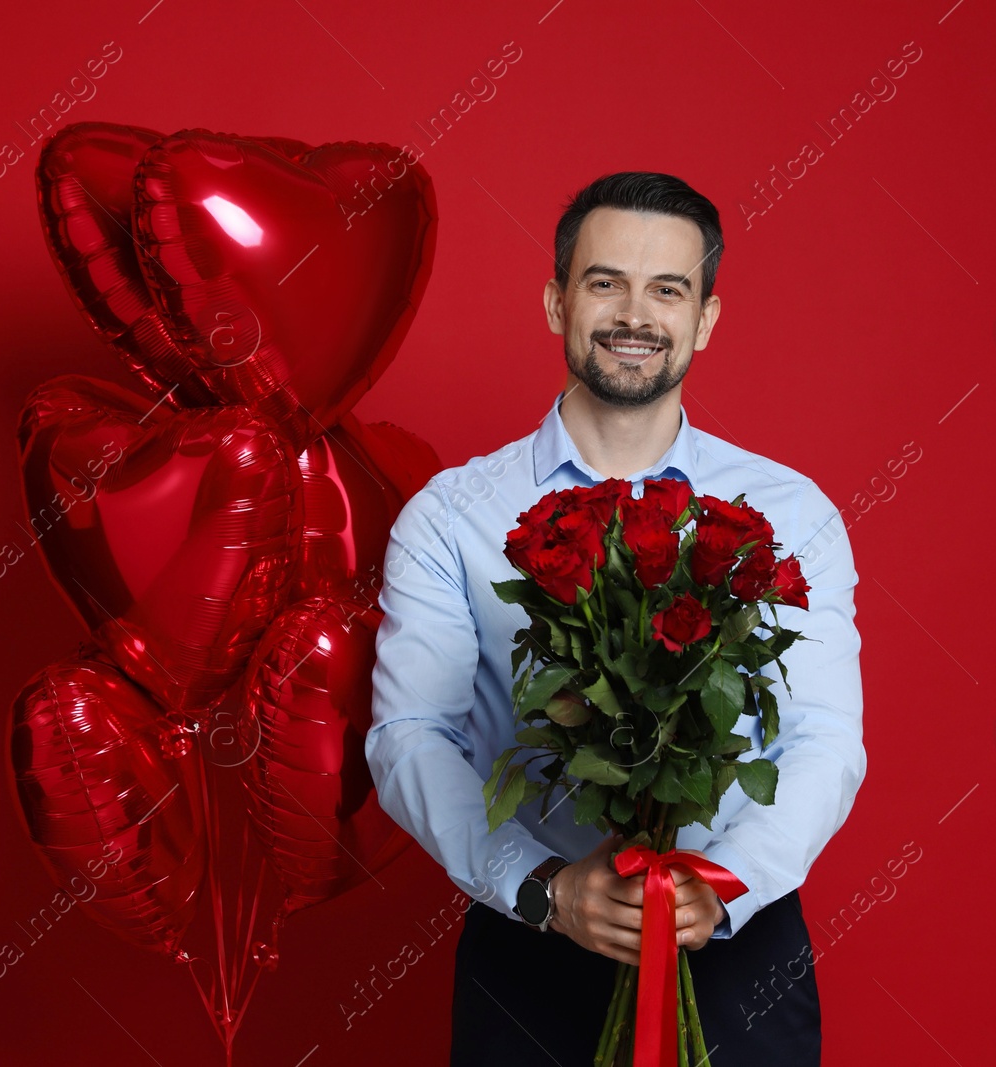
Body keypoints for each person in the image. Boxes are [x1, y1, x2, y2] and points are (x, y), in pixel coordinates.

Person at [365, 171, 866, 1066]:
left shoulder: (792, 511)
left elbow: (827, 741)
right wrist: (545, 888)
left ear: (706, 317)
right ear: (557, 301)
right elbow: (411, 735)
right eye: (605, 282)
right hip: (529, 949)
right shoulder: (450, 515)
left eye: (667, 289)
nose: (635, 314)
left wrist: (720, 888)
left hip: (736, 949)